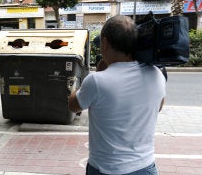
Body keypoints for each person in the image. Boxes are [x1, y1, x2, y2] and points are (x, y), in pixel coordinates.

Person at [68, 15, 166, 175]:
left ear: (105, 43)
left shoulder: (96, 81)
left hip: (106, 169)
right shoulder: (156, 74)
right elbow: (159, 106)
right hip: (146, 167)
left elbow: (73, 106)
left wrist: (97, 74)